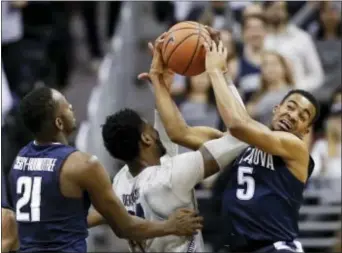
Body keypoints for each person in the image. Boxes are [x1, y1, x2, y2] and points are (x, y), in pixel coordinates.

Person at [87, 34, 248, 252]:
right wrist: (221, 73)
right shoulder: (173, 175)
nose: (155, 129)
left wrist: (161, 86)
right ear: (145, 138)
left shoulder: (121, 182)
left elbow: (165, 134)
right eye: (149, 128)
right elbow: (241, 134)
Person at [7, 87, 203, 253]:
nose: (72, 107)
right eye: (67, 106)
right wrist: (170, 226)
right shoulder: (82, 164)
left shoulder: (20, 160)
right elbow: (125, 228)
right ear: (59, 123)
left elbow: (55, 218)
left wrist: (107, 214)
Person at [202, 40, 320, 252]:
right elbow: (179, 132)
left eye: (303, 116)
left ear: (305, 131)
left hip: (275, 247)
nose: (293, 116)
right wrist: (159, 80)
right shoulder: (246, 143)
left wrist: (214, 72)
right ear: (277, 108)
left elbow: (238, 124)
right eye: (291, 107)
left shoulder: (295, 147)